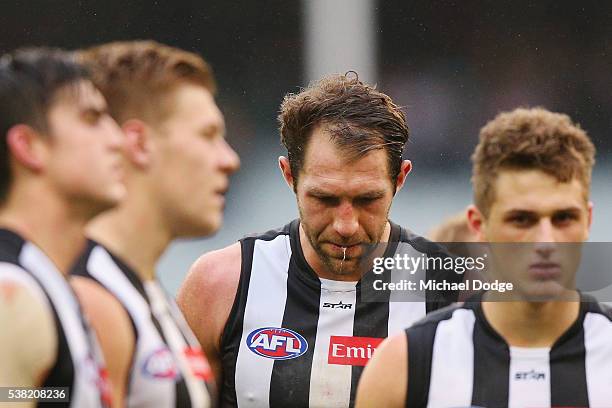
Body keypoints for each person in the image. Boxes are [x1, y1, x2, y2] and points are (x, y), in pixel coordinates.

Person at [178, 73, 463, 407]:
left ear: (400, 179)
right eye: (325, 199)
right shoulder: (219, 284)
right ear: (289, 176)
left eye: (367, 199)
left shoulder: (453, 288)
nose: (346, 224)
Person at [356, 107, 612, 407]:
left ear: (588, 220)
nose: (546, 240)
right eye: (522, 220)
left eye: (564, 217)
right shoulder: (403, 365)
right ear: (479, 225)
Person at [70, 41, 240, 408]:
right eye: (208, 135)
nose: (229, 159)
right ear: (139, 143)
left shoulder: (145, 292)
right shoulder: (88, 300)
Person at [0, 47, 125, 407]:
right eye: (92, 118)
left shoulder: (47, 284)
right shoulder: (12, 293)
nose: (116, 140)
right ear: (29, 146)